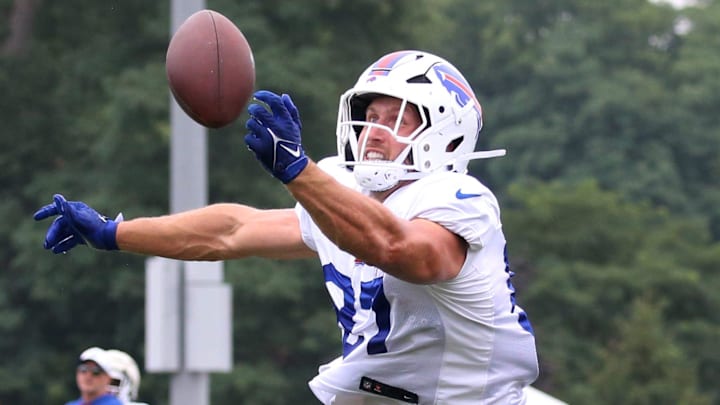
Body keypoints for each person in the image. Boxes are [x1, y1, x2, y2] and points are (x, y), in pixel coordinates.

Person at [36, 50, 539, 404]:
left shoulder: (459, 198)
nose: (374, 132)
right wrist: (114, 233)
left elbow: (402, 248)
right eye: (370, 115)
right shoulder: (344, 197)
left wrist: (300, 172)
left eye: (399, 118)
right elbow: (231, 231)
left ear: (448, 134)